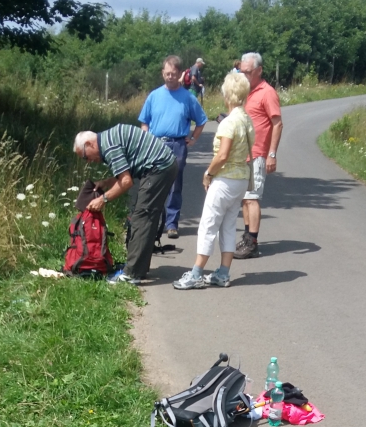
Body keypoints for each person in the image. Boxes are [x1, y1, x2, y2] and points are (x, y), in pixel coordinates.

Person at [173, 71, 254, 290]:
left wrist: (208, 173)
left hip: (225, 179)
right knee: (228, 225)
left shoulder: (229, 122)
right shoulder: (246, 119)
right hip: (241, 179)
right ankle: (223, 273)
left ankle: (196, 273)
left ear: (228, 95)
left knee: (208, 225)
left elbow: (223, 155)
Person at [74, 125, 177, 284]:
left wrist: (102, 199)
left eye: (85, 157)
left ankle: (132, 273)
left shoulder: (109, 147)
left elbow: (126, 182)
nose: (88, 162)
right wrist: (106, 183)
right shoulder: (107, 140)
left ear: (89, 144)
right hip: (162, 166)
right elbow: (125, 175)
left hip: (160, 168)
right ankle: (137, 268)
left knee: (142, 219)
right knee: (144, 217)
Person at [138, 55, 207, 239]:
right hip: (155, 144)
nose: (170, 77)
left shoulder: (188, 98)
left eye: (173, 74)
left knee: (175, 185)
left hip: (177, 145)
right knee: (153, 184)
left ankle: (171, 224)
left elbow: (201, 121)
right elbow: (144, 121)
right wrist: (146, 137)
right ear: (163, 73)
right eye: (167, 73)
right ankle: (152, 222)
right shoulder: (154, 96)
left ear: (180, 74)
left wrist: (193, 139)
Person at [233, 51, 283, 259]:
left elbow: (277, 123)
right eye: (241, 71)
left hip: (257, 154)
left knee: (252, 198)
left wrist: (272, 154)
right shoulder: (246, 92)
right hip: (242, 154)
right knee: (245, 198)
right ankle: (247, 237)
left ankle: (252, 243)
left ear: (259, 70)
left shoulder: (267, 92)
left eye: (248, 72)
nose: (243, 75)